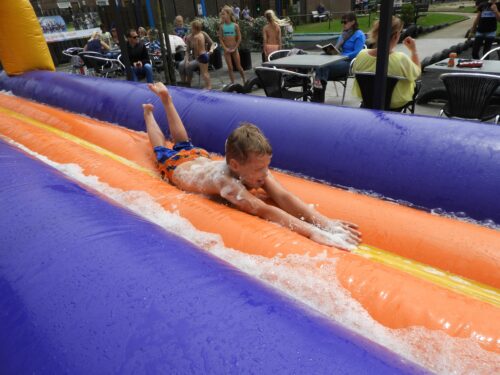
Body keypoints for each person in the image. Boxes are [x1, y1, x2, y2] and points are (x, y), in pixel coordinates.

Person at [143, 82, 361, 250]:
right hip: (179, 168)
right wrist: (312, 232)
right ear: (236, 165)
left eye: (266, 167)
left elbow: (283, 197)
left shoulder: (253, 169)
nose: (264, 174)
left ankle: (167, 101)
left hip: (200, 158)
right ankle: (149, 113)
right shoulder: (225, 182)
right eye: (259, 170)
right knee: (162, 148)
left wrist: (326, 223)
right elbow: (263, 209)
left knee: (184, 143)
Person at [352, 16, 421, 110]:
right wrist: (413, 51)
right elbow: (417, 73)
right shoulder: (401, 58)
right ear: (396, 35)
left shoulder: (361, 55)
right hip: (394, 105)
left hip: (368, 102)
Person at [313, 12, 366, 103]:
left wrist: (344, 56)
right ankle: (319, 91)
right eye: (342, 22)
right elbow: (337, 49)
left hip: (348, 62)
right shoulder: (344, 35)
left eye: (345, 22)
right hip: (339, 59)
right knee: (321, 59)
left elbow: (358, 52)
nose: (343, 24)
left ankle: (318, 96)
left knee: (324, 66)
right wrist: (331, 51)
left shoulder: (359, 35)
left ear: (353, 22)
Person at [179, 20, 212, 89]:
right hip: (196, 56)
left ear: (195, 28)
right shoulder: (189, 37)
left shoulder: (202, 34)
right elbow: (187, 50)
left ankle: (188, 84)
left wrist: (211, 50)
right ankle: (183, 83)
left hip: (199, 57)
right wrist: (187, 59)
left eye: (191, 27)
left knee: (189, 66)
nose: (190, 29)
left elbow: (212, 43)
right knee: (181, 64)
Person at [218, 5, 246, 84]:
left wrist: (235, 47)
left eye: (223, 14)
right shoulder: (221, 26)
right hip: (226, 50)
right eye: (221, 14)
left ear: (229, 14)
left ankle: (244, 80)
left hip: (234, 49)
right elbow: (220, 38)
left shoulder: (235, 25)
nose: (222, 15)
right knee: (230, 67)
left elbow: (239, 38)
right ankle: (232, 83)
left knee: (239, 67)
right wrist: (225, 48)